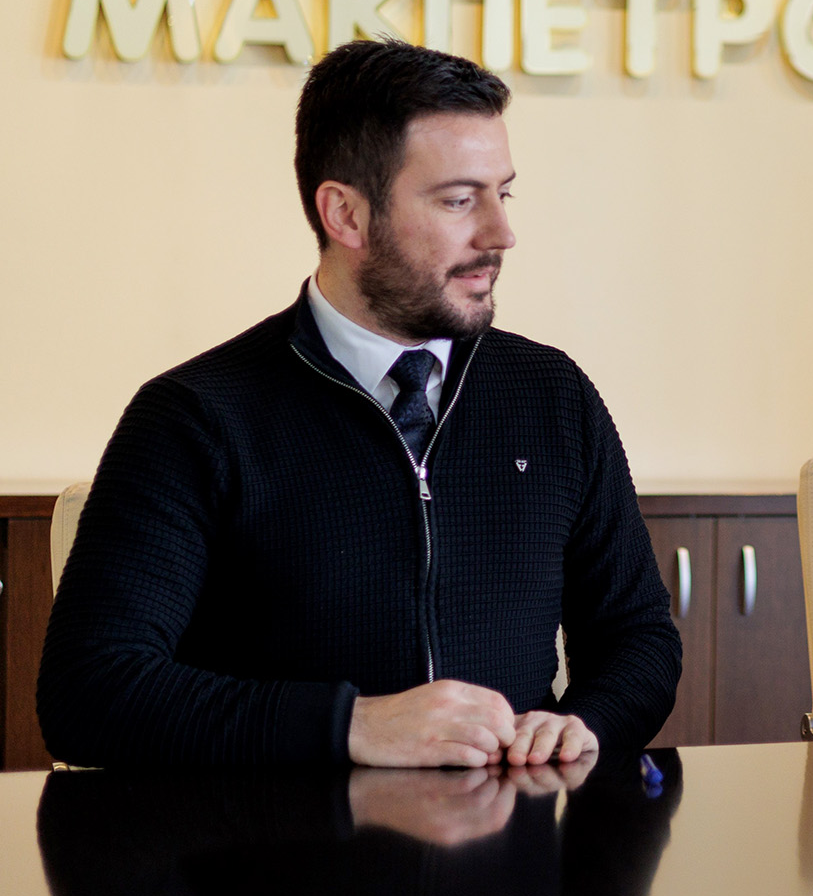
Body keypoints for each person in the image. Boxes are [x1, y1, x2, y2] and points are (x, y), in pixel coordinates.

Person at [39, 39, 681, 768]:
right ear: (345, 214)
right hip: (280, 837)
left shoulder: (552, 395)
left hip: (514, 835)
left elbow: (638, 638)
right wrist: (353, 727)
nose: (501, 234)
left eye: (502, 194)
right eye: (458, 200)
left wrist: (584, 723)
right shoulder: (194, 417)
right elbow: (89, 692)